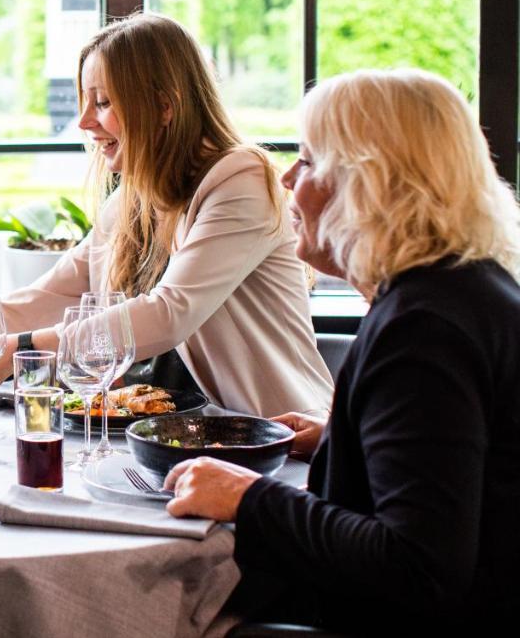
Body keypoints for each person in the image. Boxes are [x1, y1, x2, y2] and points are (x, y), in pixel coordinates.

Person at [164, 69, 520, 631]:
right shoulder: (469, 287)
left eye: (306, 161)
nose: (286, 179)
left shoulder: (421, 330)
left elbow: (417, 566)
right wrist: (341, 441)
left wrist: (250, 498)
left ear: (368, 182)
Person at [0, 12, 332, 417]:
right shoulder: (132, 199)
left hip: (283, 444)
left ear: (164, 106)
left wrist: (20, 351)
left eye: (104, 102)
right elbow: (46, 297)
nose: (85, 122)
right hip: (188, 442)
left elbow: (170, 313)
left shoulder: (240, 180)